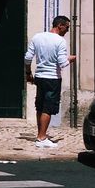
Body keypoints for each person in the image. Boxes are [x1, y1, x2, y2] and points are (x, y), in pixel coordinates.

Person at [24, 15, 77, 148]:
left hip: (39, 77)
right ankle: (42, 138)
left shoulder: (37, 37)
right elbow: (62, 63)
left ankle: (40, 134)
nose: (67, 30)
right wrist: (71, 58)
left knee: (40, 105)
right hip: (52, 78)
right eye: (67, 27)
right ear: (60, 26)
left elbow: (28, 57)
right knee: (48, 107)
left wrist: (28, 73)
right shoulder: (60, 41)